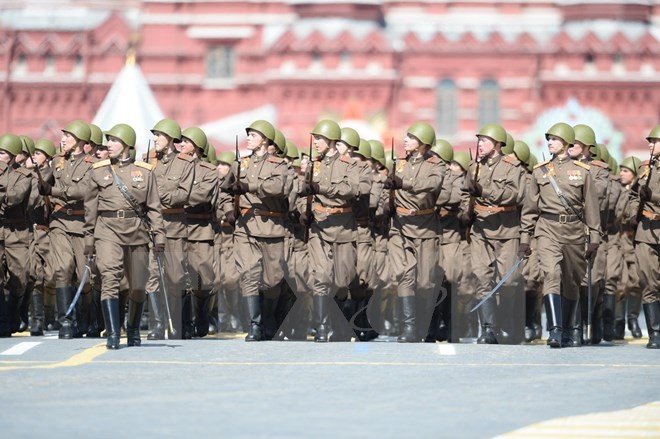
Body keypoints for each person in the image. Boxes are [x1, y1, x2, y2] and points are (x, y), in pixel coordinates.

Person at [83, 123, 165, 349]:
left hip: (137, 232)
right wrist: (89, 239)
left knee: (137, 285)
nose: (109, 145)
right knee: (109, 277)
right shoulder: (98, 170)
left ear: (127, 144)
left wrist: (159, 238)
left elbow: (154, 208)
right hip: (107, 230)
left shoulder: (145, 172)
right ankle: (112, 333)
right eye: (108, 140)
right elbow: (90, 208)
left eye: (114, 141)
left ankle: (133, 329)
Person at [519, 122, 600, 348]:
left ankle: (566, 329)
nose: (550, 142)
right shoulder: (540, 171)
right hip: (547, 229)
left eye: (554, 139)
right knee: (551, 274)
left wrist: (594, 239)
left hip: (574, 232)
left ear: (566, 142)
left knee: (572, 282)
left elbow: (592, 208)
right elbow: (530, 209)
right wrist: (525, 239)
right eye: (549, 139)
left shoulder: (583, 173)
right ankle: (554, 331)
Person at [224, 120, 288, 341]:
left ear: (265, 139)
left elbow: (278, 187)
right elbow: (224, 191)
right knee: (249, 274)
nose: (249, 138)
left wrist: (250, 187)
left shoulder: (279, 165)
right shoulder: (239, 164)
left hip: (272, 227)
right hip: (246, 227)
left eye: (253, 134)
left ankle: (269, 318)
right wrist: (228, 211)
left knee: (272, 281)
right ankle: (255, 325)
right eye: (248, 134)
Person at [462, 123, 525, 344]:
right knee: (482, 277)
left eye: (485, 141)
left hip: (506, 230)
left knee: (507, 282)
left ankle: (506, 323)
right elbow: (466, 193)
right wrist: (465, 213)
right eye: (479, 140)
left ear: (498, 144)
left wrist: (485, 191)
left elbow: (514, 195)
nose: (480, 145)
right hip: (481, 230)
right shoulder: (474, 166)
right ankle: (488, 329)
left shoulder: (512, 166)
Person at [386, 122, 444, 343]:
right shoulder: (398, 163)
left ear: (423, 143)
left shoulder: (436, 164)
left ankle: (424, 325)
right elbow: (389, 188)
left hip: (425, 226)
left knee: (426, 282)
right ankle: (409, 327)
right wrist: (385, 204)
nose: (405, 140)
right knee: (404, 275)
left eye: (410, 137)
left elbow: (433, 184)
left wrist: (405, 183)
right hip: (400, 225)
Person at [38, 120, 95, 339]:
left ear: (81, 142)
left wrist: (54, 189)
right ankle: (66, 321)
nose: (63, 141)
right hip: (60, 222)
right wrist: (42, 185)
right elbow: (46, 187)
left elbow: (84, 191)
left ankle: (87, 319)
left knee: (84, 276)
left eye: (68, 138)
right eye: (63, 137)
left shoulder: (92, 164)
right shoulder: (57, 162)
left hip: (82, 224)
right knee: (62, 268)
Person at [303, 119, 359, 342]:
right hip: (319, 225)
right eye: (314, 139)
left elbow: (351, 189)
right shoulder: (313, 164)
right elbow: (304, 194)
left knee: (342, 280)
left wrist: (323, 188)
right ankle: (321, 327)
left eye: (319, 139)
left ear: (332, 140)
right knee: (321, 276)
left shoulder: (349, 164)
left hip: (343, 226)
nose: (315, 142)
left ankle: (340, 324)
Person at [181, 128, 218, 338]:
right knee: (182, 277)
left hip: (201, 228)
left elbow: (202, 195)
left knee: (203, 278)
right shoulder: (173, 167)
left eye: (185, 141)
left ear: (196, 146)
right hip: (179, 226)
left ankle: (201, 313)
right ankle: (185, 323)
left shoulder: (208, 170)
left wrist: (176, 196)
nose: (181, 145)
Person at [627, 125, 660, 349]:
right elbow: (631, 194)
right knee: (649, 281)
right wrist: (632, 213)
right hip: (646, 230)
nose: (650, 144)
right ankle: (655, 334)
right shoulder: (645, 168)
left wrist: (654, 196)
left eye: (654, 141)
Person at [0, 134, 33, 336]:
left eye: (2, 153)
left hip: (16, 232)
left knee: (20, 278)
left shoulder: (23, 175)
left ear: (12, 156)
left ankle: (14, 315)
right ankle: (3, 321)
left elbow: (15, 198)